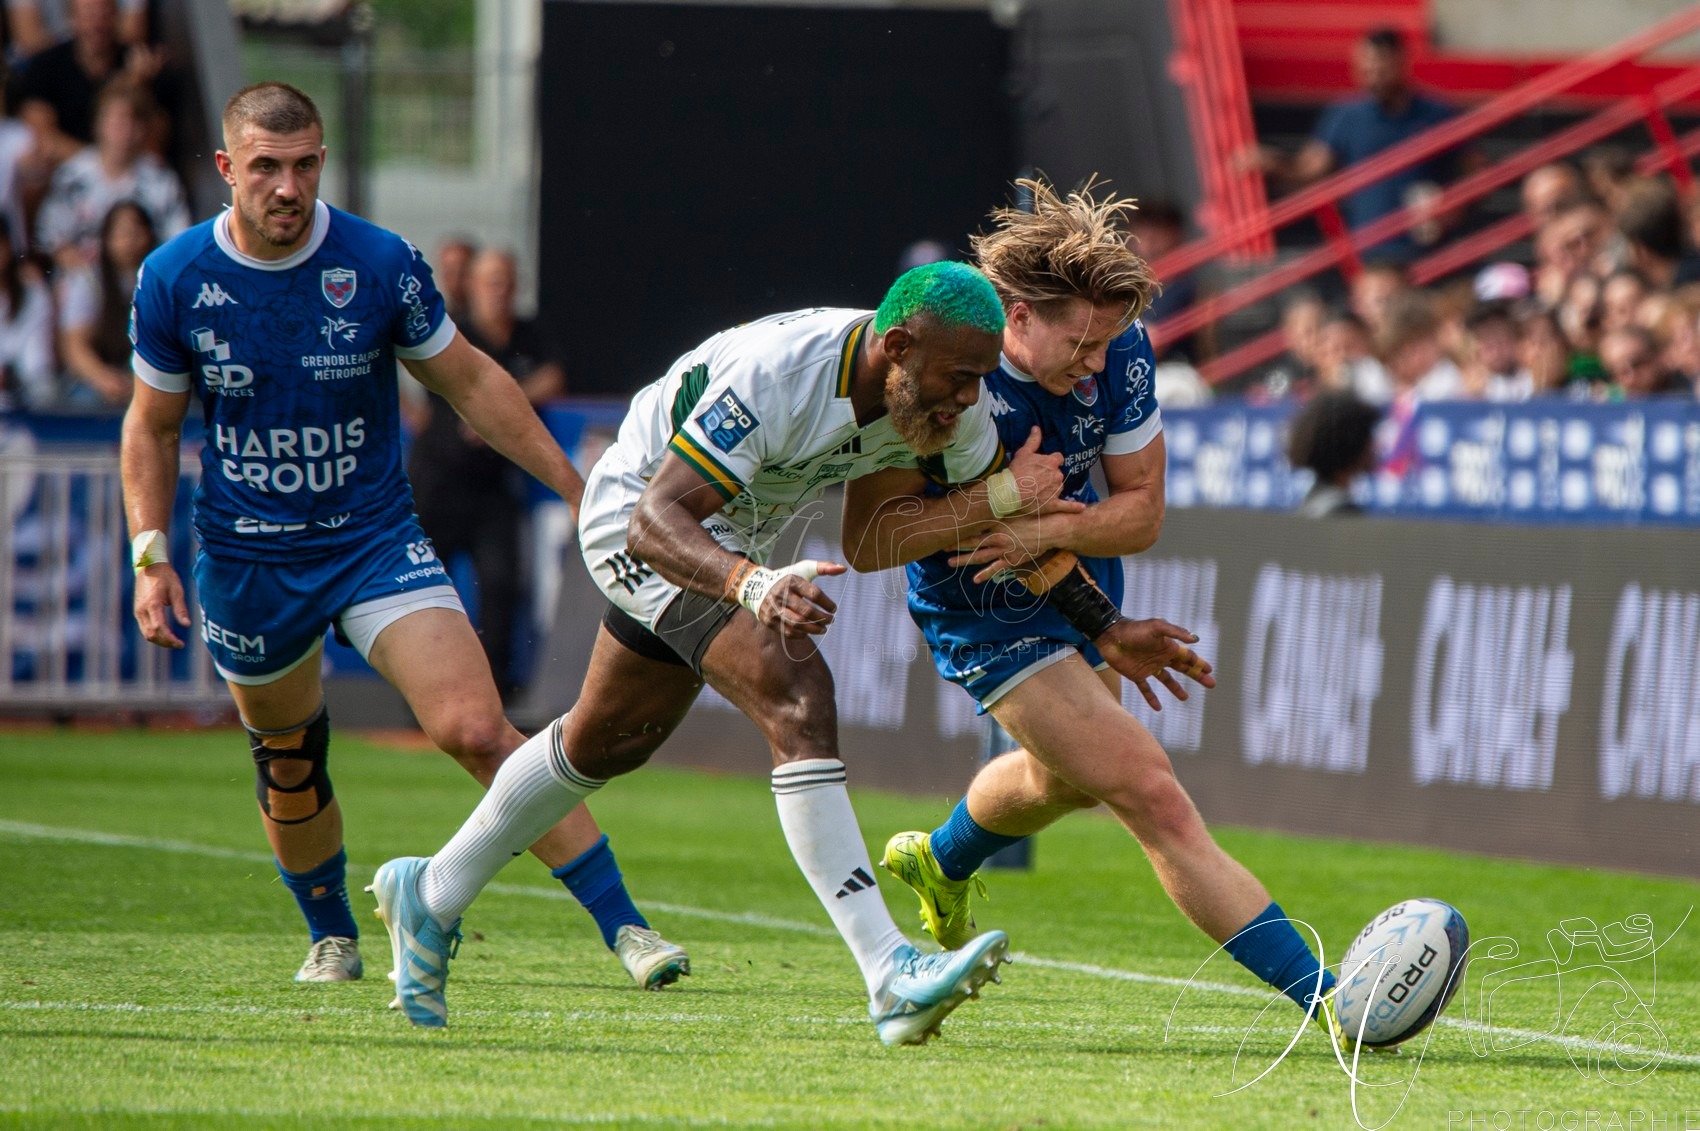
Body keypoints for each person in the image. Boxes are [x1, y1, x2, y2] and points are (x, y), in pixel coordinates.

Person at [369, 259, 1100, 1041]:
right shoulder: (780, 374)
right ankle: (889, 971)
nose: (968, 397)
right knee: (797, 691)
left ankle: (433, 889)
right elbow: (657, 516)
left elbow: (881, 538)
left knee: (603, 741)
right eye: (958, 376)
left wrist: (1108, 626)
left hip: (729, 541)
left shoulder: (949, 404)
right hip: (642, 520)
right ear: (897, 346)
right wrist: (751, 585)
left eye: (979, 378)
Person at [120, 82, 687, 993]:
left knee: (475, 728)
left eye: (304, 165)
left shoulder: (378, 263)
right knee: (290, 757)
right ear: (227, 169)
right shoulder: (175, 277)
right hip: (248, 557)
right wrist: (150, 556)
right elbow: (149, 427)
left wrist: (583, 492)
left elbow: (471, 382)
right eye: (265, 167)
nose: (287, 187)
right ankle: (333, 934)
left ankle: (628, 926)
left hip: (372, 541)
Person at [865, 178, 1347, 1045]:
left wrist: (1067, 532)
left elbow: (1143, 511)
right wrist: (1097, 608)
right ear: (1017, 317)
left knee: (1064, 782)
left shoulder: (1119, 346)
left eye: (1105, 342)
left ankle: (942, 858)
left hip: (1079, 570)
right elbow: (995, 542)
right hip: (982, 604)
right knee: (1148, 790)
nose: (1096, 362)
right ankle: (1330, 997)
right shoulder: (966, 380)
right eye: (1078, 344)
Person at [408, 247, 565, 700]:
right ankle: (425, 689)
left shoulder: (529, 333)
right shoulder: (452, 330)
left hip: (493, 485)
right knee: (427, 590)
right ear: (472, 287)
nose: (500, 291)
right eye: (490, 281)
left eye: (507, 281)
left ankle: (496, 691)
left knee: (500, 584)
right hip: (438, 482)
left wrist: (502, 407)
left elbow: (554, 374)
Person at [1258, 28, 1463, 263]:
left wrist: (1453, 206)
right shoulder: (1346, 116)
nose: (1373, 73)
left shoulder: (1437, 114)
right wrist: (1274, 164)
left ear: (1401, 62)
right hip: (1369, 252)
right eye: (1366, 66)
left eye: (1380, 65)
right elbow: (1310, 170)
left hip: (1429, 253)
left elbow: (1473, 169)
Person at [35, 81, 186, 265]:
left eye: (134, 122)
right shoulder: (72, 175)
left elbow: (177, 238)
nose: (126, 130)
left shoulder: (161, 179)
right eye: (119, 121)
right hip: (85, 279)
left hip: (143, 276)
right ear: (99, 123)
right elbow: (50, 236)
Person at [58, 197, 150, 406]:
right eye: (121, 233)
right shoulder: (89, 280)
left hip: (148, 376)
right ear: (107, 239)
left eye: (136, 232)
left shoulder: (162, 280)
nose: (129, 240)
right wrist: (103, 379)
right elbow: (74, 344)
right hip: (99, 376)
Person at [1288, 391, 1382, 516]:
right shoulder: (1342, 513)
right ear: (1353, 443)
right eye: (1369, 436)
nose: (1376, 446)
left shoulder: (1310, 503)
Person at [0, 214, 55, 408]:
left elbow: (36, 364)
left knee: (44, 390)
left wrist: (9, 375)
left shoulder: (32, 293)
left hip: (21, 398)